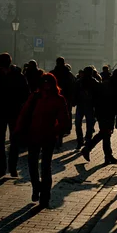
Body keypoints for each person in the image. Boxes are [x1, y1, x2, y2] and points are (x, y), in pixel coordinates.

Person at [15, 73, 70, 208]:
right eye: (44, 82)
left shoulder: (58, 99)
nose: (46, 85)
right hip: (33, 134)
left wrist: (56, 131)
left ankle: (45, 196)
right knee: (32, 164)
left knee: (45, 167)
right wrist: (18, 131)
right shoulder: (35, 97)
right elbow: (24, 114)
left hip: (48, 136)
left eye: (48, 83)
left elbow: (64, 119)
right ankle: (36, 187)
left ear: (53, 84)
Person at [0, 52, 29, 178]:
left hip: (5, 111)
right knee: (6, 141)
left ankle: (7, 167)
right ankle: (6, 167)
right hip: (9, 112)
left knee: (8, 141)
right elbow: (25, 93)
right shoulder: (18, 75)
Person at [81, 68, 117, 165]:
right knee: (105, 133)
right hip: (105, 113)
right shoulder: (111, 86)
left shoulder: (108, 84)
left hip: (104, 113)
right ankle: (88, 148)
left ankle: (107, 156)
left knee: (106, 134)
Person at [74, 66, 99, 149]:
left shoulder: (92, 82)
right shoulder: (94, 82)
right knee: (88, 125)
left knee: (80, 124)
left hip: (84, 106)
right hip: (87, 106)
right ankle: (85, 140)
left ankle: (82, 141)